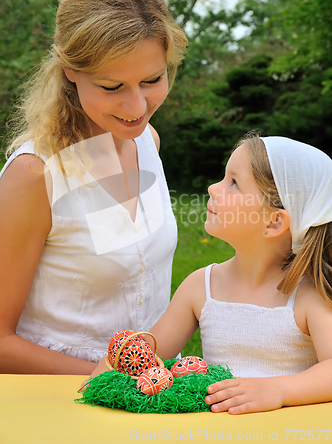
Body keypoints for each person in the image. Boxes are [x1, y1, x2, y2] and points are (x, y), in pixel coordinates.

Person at [0, 0, 187, 374]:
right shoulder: (34, 176)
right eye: (112, 87)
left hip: (147, 399)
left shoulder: (147, 142)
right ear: (70, 70)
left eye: (152, 79)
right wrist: (112, 378)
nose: (137, 108)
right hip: (60, 410)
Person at [91, 132, 332, 414]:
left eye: (233, 183)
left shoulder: (309, 296)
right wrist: (119, 360)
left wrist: (279, 390)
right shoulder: (202, 286)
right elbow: (151, 356)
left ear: (274, 221)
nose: (213, 189)